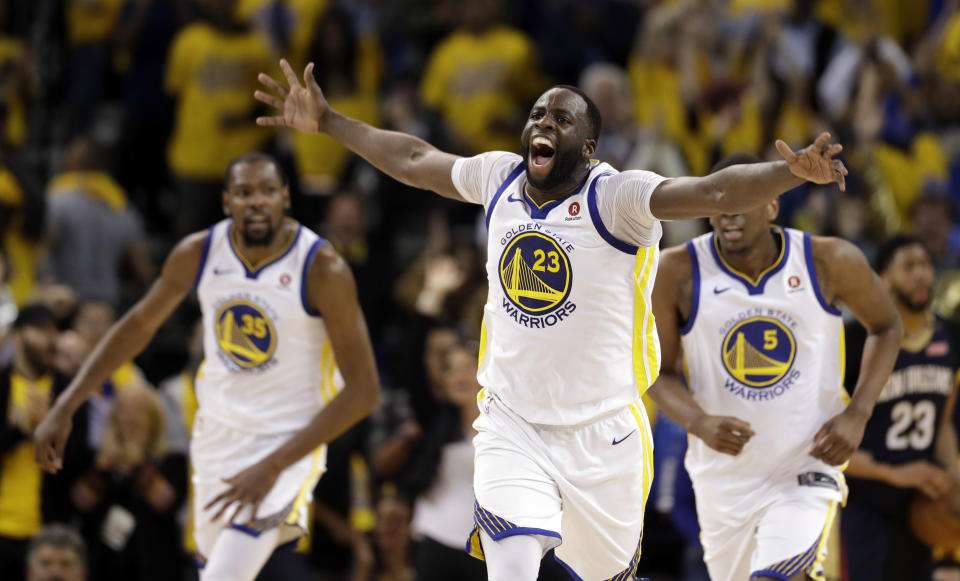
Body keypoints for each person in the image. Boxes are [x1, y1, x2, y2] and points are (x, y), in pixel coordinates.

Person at [254, 58, 848, 580]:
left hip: (605, 431)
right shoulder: (499, 178)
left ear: (588, 147)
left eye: (562, 120)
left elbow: (717, 193)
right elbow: (413, 158)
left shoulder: (616, 198)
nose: (543, 123)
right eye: (538, 114)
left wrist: (790, 173)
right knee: (510, 561)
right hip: (514, 420)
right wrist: (330, 122)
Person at [33, 151, 381, 581]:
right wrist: (66, 404)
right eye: (244, 192)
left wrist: (274, 463)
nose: (257, 201)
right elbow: (138, 326)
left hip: (287, 446)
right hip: (217, 443)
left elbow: (364, 391)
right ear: (226, 202)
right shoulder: (198, 253)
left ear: (285, 198)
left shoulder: (322, 268)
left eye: (268, 191)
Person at [646, 154, 902, 581]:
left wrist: (858, 413)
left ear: (772, 204)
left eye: (743, 199)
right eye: (720, 200)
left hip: (805, 466)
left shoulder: (828, 260)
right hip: (723, 481)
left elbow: (887, 325)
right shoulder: (674, 271)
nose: (728, 213)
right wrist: (698, 421)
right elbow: (656, 369)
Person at [842, 235, 960, 581]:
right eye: (908, 267)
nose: (922, 274)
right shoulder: (852, 340)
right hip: (863, 504)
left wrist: (952, 472)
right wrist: (893, 473)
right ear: (882, 279)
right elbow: (825, 442)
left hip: (920, 503)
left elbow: (942, 425)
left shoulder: (950, 335)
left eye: (925, 265)